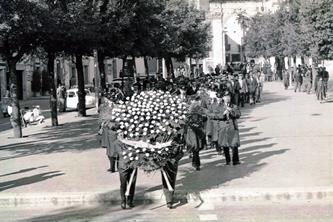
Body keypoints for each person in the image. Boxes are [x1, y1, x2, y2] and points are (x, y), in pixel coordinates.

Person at [208, 91, 241, 165]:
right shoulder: (219, 106)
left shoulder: (234, 106)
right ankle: (228, 160)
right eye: (225, 97)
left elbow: (238, 114)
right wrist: (223, 114)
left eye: (228, 97)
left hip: (232, 127)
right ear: (223, 98)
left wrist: (231, 111)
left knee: (234, 144)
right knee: (225, 145)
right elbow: (214, 115)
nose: (227, 98)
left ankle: (236, 160)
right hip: (223, 127)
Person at [185, 96, 206, 171]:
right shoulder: (188, 112)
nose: (195, 102)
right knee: (195, 148)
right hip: (192, 132)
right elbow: (187, 121)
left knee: (196, 148)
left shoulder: (199, 111)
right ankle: (197, 164)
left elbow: (203, 118)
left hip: (197, 132)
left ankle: (195, 162)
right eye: (194, 100)